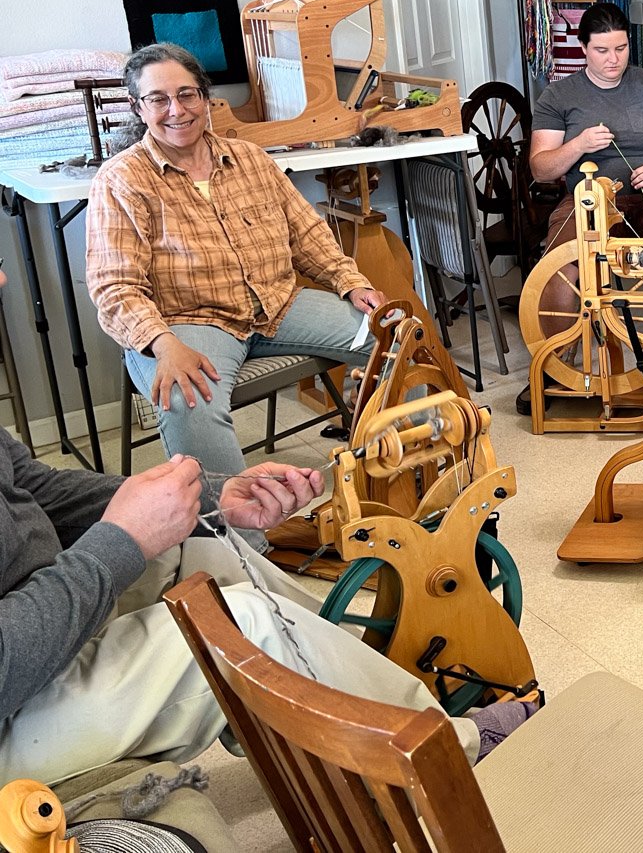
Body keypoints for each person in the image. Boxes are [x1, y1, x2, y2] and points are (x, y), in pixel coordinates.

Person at [0, 263, 525, 785]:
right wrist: (120, 540)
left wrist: (211, 497)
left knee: (201, 550)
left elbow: (33, 489)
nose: (3, 280)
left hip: (40, 616)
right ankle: (451, 752)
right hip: (14, 699)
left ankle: (362, 691)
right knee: (246, 627)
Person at [86, 44, 386, 480]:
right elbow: (114, 286)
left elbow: (306, 234)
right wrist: (163, 344)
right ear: (138, 107)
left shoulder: (250, 158)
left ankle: (407, 480)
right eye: (158, 99)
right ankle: (238, 543)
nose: (177, 110)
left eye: (187, 94)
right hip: (187, 322)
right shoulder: (121, 180)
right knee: (188, 400)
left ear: (205, 98)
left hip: (278, 305)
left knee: (396, 333)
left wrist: (351, 283)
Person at [526, 3, 643, 367]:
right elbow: (541, 168)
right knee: (561, 268)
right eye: (602, 51)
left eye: (621, 49)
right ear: (583, 49)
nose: (613, 60)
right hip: (588, 200)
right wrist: (578, 145)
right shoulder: (559, 96)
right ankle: (554, 366)